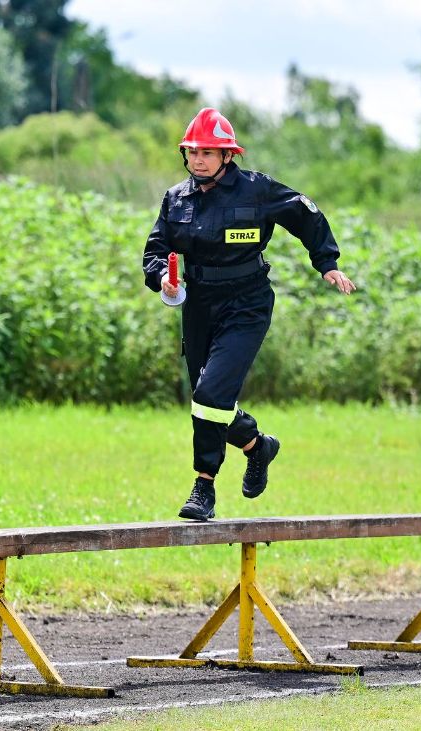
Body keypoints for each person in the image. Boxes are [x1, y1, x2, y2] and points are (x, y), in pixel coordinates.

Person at [142, 107, 357, 521]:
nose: (198, 160)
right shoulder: (176, 199)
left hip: (247, 303)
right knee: (209, 400)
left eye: (208, 152)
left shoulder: (256, 190)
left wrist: (326, 262)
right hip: (200, 304)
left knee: (209, 397)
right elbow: (155, 250)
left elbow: (305, 213)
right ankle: (258, 446)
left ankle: (203, 487)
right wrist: (163, 278)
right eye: (192, 152)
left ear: (228, 155)